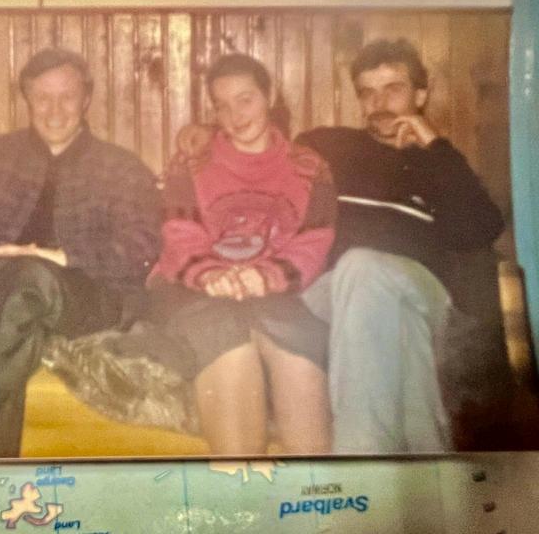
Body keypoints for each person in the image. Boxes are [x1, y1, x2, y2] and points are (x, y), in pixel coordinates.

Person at [178, 38, 506, 453]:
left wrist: (434, 146)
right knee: (380, 305)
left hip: (420, 290)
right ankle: (426, 471)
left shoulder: (440, 161)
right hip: (332, 291)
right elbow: (258, 142)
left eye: (393, 89)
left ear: (421, 95)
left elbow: (479, 230)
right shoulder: (328, 146)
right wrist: (208, 132)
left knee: (364, 268)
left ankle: (359, 459)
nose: (379, 103)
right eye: (368, 93)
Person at [0, 48, 162, 458]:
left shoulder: (122, 167)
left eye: (67, 97)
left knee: (27, 275)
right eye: (42, 97)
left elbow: (141, 248)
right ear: (27, 98)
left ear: (86, 99)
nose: (54, 110)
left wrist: (57, 258)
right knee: (11, 329)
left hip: (86, 299)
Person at [140, 53, 336, 454]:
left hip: (271, 289)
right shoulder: (192, 161)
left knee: (298, 339)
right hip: (191, 287)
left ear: (270, 96)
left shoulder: (310, 167)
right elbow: (179, 233)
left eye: (245, 99)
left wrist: (266, 276)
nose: (234, 115)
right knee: (226, 337)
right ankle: (240, 484)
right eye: (222, 106)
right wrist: (212, 274)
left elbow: (314, 240)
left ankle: (313, 485)